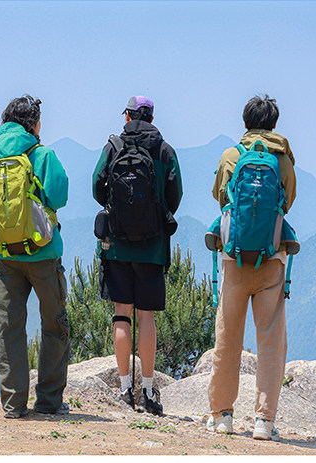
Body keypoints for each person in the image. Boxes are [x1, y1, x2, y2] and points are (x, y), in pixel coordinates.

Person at [206, 94, 296, 441]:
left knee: (228, 338)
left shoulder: (231, 155)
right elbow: (288, 201)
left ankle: (222, 416)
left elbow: (220, 197)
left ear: (245, 123)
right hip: (271, 258)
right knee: (270, 341)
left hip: (234, 258)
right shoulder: (282, 159)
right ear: (274, 124)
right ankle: (264, 421)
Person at [92, 96, 183, 416]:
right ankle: (147, 391)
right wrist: (153, 217)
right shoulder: (165, 150)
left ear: (128, 116)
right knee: (146, 316)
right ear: (152, 118)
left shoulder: (113, 147)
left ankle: (123, 390)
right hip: (152, 247)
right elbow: (175, 195)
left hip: (116, 245)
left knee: (122, 314)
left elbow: (97, 188)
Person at [0, 95, 70, 419]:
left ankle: (13, 404)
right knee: (54, 325)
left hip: (5, 257)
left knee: (8, 329)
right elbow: (59, 196)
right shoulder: (42, 155)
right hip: (43, 253)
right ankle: (48, 401)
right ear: (34, 124)